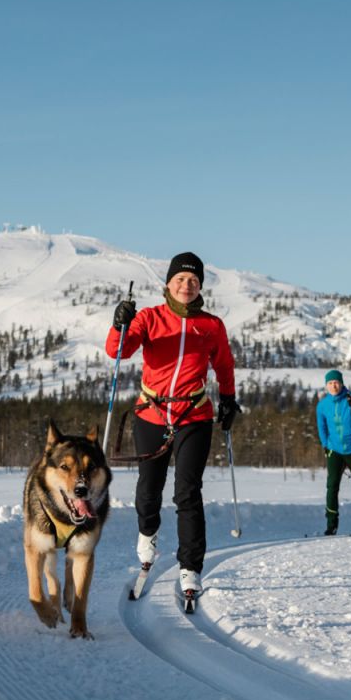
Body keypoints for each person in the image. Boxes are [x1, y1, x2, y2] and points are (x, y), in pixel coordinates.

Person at [106, 252, 239, 598]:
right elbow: (117, 351)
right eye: (180, 279)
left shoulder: (211, 325)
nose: (187, 285)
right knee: (149, 489)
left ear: (200, 287)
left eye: (193, 280)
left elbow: (224, 365)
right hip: (151, 413)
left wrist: (228, 398)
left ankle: (190, 568)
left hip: (193, 415)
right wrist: (120, 323)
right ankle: (147, 536)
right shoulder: (149, 318)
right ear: (168, 283)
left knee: (187, 492)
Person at [316, 369, 351, 535]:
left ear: (341, 383)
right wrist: (325, 445)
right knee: (332, 486)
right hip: (334, 450)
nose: (333, 386)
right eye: (330, 383)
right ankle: (331, 524)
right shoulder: (322, 405)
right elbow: (322, 427)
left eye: (336, 382)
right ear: (326, 386)